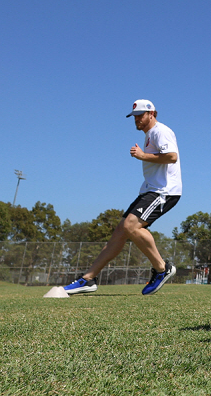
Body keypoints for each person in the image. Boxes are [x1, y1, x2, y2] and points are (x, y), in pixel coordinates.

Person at [63, 100, 181, 296]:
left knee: (130, 226)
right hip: (149, 190)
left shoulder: (161, 131)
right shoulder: (149, 135)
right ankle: (88, 279)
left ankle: (162, 269)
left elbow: (172, 156)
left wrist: (143, 156)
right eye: (134, 116)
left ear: (152, 114)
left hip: (164, 191)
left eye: (140, 115)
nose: (136, 119)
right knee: (120, 230)